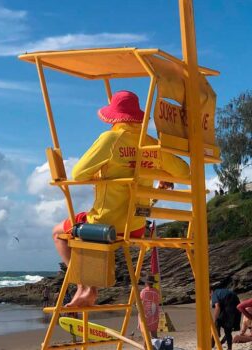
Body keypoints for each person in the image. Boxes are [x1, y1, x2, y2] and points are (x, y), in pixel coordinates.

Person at [52, 90, 190, 307]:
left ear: (114, 117)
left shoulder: (111, 138)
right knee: (81, 229)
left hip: (104, 224)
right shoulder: (151, 143)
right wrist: (163, 175)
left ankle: (84, 286)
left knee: (59, 233)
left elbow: (78, 174)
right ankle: (86, 287)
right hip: (135, 226)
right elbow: (184, 171)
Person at [139, 274, 160, 340]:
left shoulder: (143, 292)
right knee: (154, 334)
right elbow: (157, 302)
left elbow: (141, 303)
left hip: (144, 314)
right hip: (154, 314)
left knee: (145, 335)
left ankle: (147, 347)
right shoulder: (156, 291)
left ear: (146, 283)